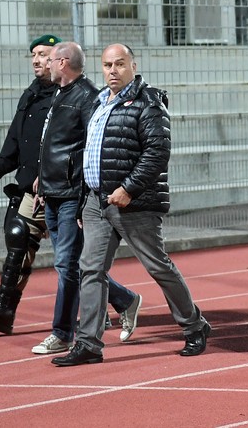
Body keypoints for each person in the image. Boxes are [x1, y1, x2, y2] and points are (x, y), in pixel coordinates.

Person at [52, 44, 210, 366]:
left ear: (133, 66)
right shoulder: (99, 103)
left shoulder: (148, 103)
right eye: (107, 65)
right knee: (91, 270)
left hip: (133, 203)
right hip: (97, 203)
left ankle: (194, 325)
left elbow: (157, 153)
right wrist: (85, 200)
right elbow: (90, 155)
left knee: (157, 266)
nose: (112, 70)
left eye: (119, 64)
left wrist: (128, 189)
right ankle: (89, 344)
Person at [31, 41, 142, 355]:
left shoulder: (87, 97)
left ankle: (62, 333)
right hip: (53, 191)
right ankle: (124, 300)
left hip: (71, 194)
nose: (44, 64)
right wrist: (43, 177)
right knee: (77, 266)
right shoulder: (59, 94)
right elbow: (54, 144)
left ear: (63, 62)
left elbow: (90, 150)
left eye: (49, 59)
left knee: (68, 266)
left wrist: (82, 197)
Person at [0, 34, 59, 334]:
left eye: (43, 54)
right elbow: (15, 139)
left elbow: (67, 146)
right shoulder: (30, 94)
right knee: (19, 239)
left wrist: (45, 176)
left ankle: (120, 302)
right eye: (33, 54)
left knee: (74, 258)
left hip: (57, 187)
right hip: (28, 186)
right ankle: (4, 311)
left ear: (59, 58)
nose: (36, 59)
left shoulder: (66, 96)